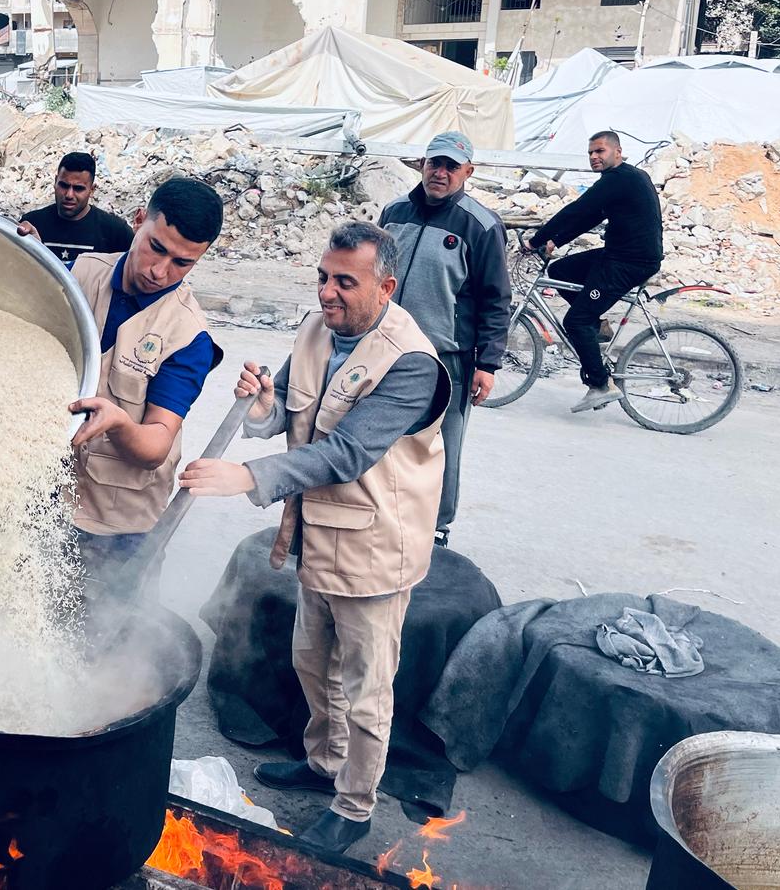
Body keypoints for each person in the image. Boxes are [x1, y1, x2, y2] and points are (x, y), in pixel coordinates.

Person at [180, 222, 450, 855]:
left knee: (365, 688)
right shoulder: (316, 328)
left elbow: (349, 451)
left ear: (385, 286)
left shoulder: (411, 361)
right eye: (323, 277)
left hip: (376, 546)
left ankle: (355, 806)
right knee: (311, 662)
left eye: (344, 282)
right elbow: (286, 418)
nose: (328, 292)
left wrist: (248, 476)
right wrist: (262, 405)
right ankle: (323, 763)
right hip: (315, 538)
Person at [66, 177, 223, 600]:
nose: (160, 271)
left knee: (115, 635)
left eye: (182, 263)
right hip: (47, 502)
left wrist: (118, 423)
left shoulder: (189, 335)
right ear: (139, 221)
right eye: (156, 247)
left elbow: (156, 444)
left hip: (119, 526)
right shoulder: (79, 275)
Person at [378, 131, 510, 548]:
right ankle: (379, 513)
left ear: (468, 172)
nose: (441, 172)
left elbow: (495, 298)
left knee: (442, 443)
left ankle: (436, 527)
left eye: (452, 166)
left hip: (446, 357)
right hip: (386, 347)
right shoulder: (394, 212)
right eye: (435, 162)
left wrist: (487, 364)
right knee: (378, 432)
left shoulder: (482, 226)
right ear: (422, 164)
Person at [526, 130, 664, 413]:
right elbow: (590, 215)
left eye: (600, 151)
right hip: (619, 254)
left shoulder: (620, 178)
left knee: (575, 321)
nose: (594, 157)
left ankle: (601, 384)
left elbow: (577, 210)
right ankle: (597, 327)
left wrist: (536, 240)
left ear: (618, 151)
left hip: (630, 262)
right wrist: (555, 241)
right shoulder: (621, 179)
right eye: (590, 152)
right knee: (560, 270)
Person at [17, 151, 135, 267]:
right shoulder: (32, 224)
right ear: (55, 182)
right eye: (64, 185)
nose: (69, 195)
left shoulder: (116, 232)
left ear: (92, 190)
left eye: (78, 188)